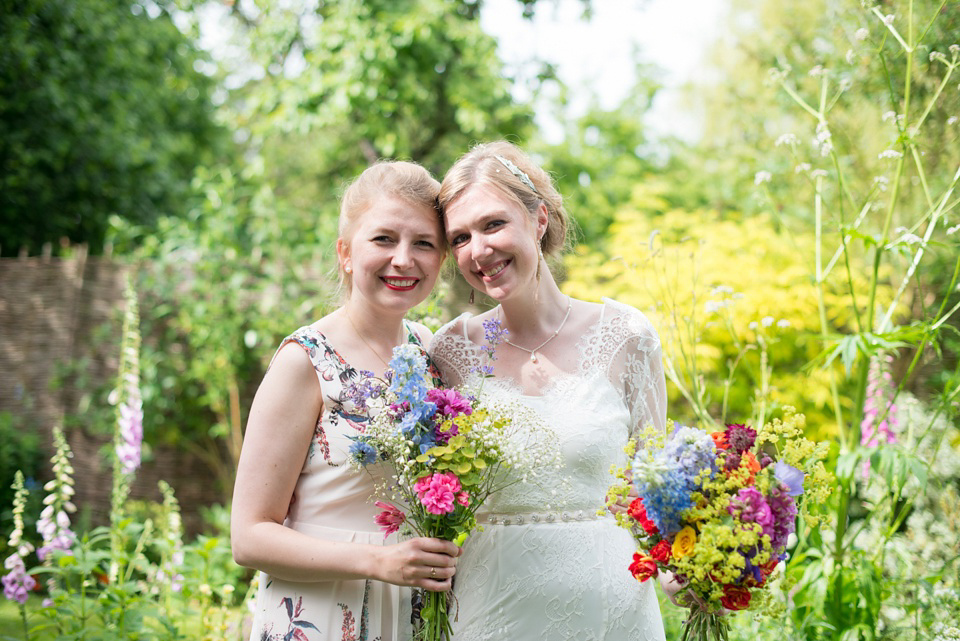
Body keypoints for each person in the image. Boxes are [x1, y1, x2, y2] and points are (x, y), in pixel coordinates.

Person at [429, 141, 672, 640]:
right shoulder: (448, 352)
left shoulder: (627, 335)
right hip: (491, 612)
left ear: (539, 219)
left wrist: (691, 573)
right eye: (460, 238)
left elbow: (657, 488)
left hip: (613, 613)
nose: (479, 250)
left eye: (493, 224)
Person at [231, 161, 462, 641]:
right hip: (320, 614)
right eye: (383, 239)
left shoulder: (431, 354)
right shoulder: (305, 361)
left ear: (441, 260)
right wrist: (379, 561)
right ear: (346, 253)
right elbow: (248, 536)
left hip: (414, 614)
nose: (404, 259)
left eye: (424, 243)